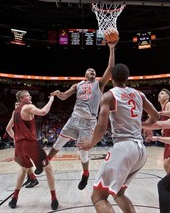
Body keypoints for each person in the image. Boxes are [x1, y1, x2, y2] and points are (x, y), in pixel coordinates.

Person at [78, 63, 160, 213]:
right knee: (119, 194)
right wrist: (142, 125)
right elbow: (156, 116)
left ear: (112, 79)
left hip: (124, 148)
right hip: (141, 150)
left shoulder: (109, 95)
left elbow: (102, 127)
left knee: (98, 197)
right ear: (127, 78)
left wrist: (90, 144)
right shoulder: (139, 94)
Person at [47, 39, 118, 190]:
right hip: (74, 119)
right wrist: (59, 93)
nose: (92, 71)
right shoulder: (77, 84)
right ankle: (45, 162)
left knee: (83, 152)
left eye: (94, 71)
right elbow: (65, 96)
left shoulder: (99, 84)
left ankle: (85, 173)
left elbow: (110, 68)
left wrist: (111, 49)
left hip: (88, 122)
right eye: (90, 70)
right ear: (85, 74)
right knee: (58, 143)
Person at [6, 90, 59, 210]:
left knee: (24, 170)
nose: (30, 96)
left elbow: (8, 128)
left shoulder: (15, 112)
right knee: (48, 169)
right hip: (29, 144)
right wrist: (51, 100)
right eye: (27, 95)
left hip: (19, 147)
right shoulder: (28, 107)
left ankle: (14, 198)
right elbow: (43, 112)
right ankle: (54, 199)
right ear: (21, 99)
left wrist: (15, 138)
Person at [12, 101, 39, 188]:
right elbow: (9, 128)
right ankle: (30, 177)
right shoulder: (15, 114)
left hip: (27, 139)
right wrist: (15, 137)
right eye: (15, 104)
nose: (17, 106)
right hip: (20, 139)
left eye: (18, 104)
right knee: (20, 160)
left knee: (23, 160)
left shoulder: (24, 113)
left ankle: (33, 178)